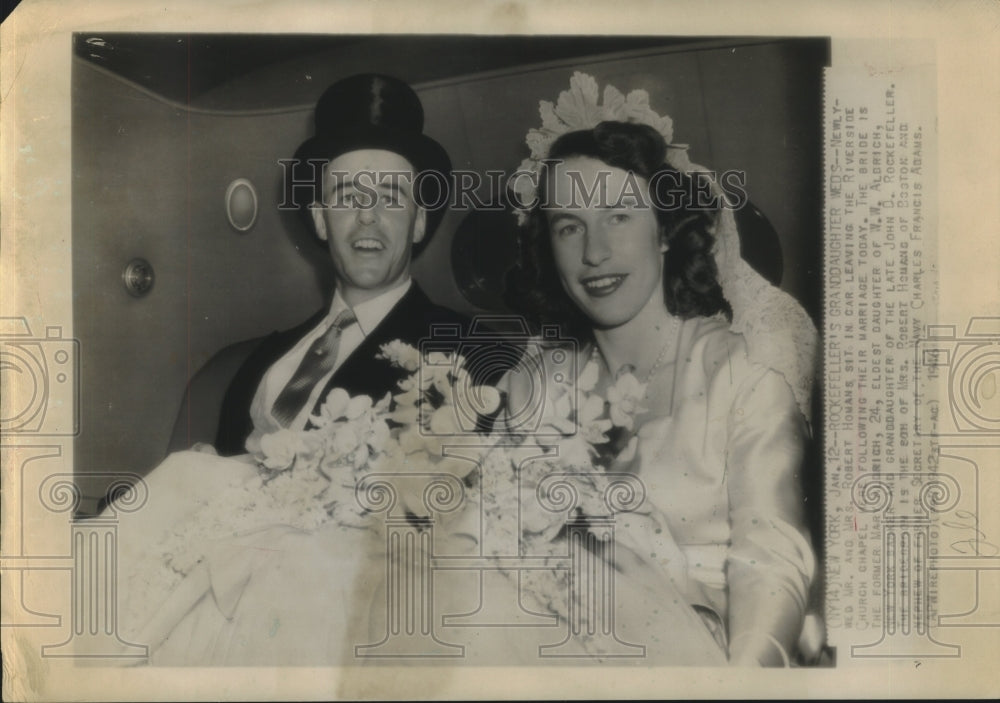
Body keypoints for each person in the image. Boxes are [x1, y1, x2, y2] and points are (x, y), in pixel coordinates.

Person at [499, 73, 820, 666]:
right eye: (569, 227)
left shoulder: (744, 371)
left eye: (619, 217)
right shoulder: (530, 386)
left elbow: (771, 559)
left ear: (666, 232)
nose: (593, 252)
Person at [168, 73, 470, 457]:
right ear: (319, 220)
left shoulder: (468, 351)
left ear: (420, 222)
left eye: (391, 196)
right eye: (346, 195)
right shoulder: (263, 358)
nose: (367, 216)